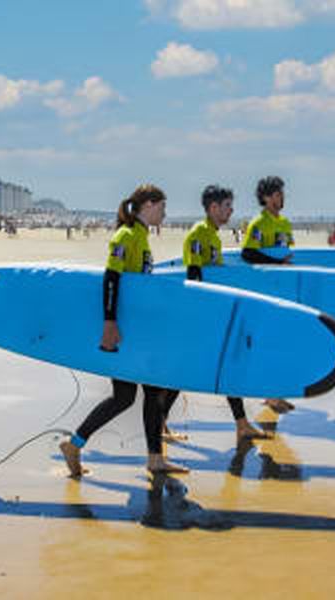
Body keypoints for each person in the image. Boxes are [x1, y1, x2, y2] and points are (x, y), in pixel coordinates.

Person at [59, 184, 186, 477]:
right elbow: (111, 279)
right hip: (124, 332)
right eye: (162, 207)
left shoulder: (140, 236)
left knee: (132, 395)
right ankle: (151, 458)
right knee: (141, 393)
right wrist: (109, 322)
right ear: (149, 205)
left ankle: (76, 444)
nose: (165, 214)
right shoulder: (126, 236)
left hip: (135, 330)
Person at [159, 185, 268, 442]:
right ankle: (159, 423)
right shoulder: (199, 234)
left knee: (196, 370)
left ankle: (241, 423)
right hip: (200, 316)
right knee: (185, 372)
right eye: (227, 205)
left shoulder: (213, 236)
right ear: (213, 207)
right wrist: (204, 316)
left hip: (210, 314)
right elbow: (194, 275)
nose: (231, 210)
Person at [240, 176, 296, 414]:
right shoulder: (258, 224)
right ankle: (271, 395)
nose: (281, 197)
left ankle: (275, 393)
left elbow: (288, 255)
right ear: (265, 197)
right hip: (263, 292)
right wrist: (277, 263)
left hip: (282, 290)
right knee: (268, 342)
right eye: (276, 194)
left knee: (282, 341)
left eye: (282, 193)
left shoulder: (284, 223)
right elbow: (247, 254)